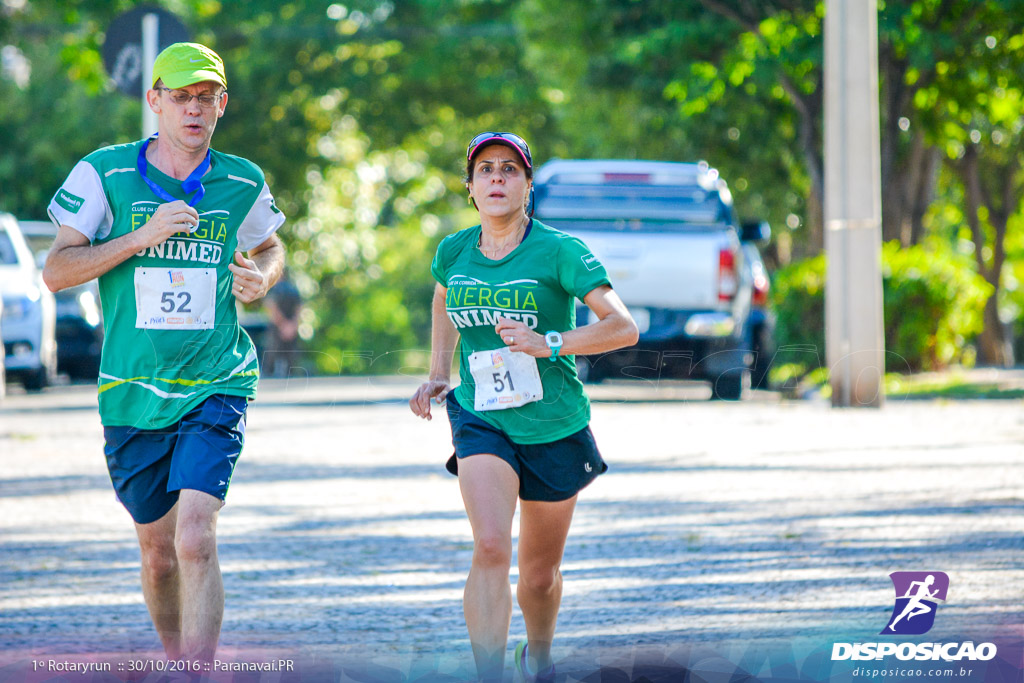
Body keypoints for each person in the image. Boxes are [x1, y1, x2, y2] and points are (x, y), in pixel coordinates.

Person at [42, 42, 285, 661]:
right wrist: (139, 237)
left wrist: (264, 277)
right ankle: (177, 662)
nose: (193, 110)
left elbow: (271, 246)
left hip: (215, 381)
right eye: (180, 97)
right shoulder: (103, 173)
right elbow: (56, 271)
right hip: (131, 391)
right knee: (157, 555)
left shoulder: (242, 179)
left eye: (206, 98)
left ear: (222, 105)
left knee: (196, 538)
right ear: (154, 102)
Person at [410, 132, 638, 682]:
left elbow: (623, 327)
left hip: (554, 422)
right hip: (479, 414)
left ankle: (538, 657)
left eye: (509, 170)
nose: (496, 179)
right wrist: (440, 372)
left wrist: (550, 342)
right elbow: (443, 294)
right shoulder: (453, 251)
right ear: (470, 188)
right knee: (490, 545)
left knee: (538, 575)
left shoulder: (560, 250)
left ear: (527, 186)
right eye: (485, 170)